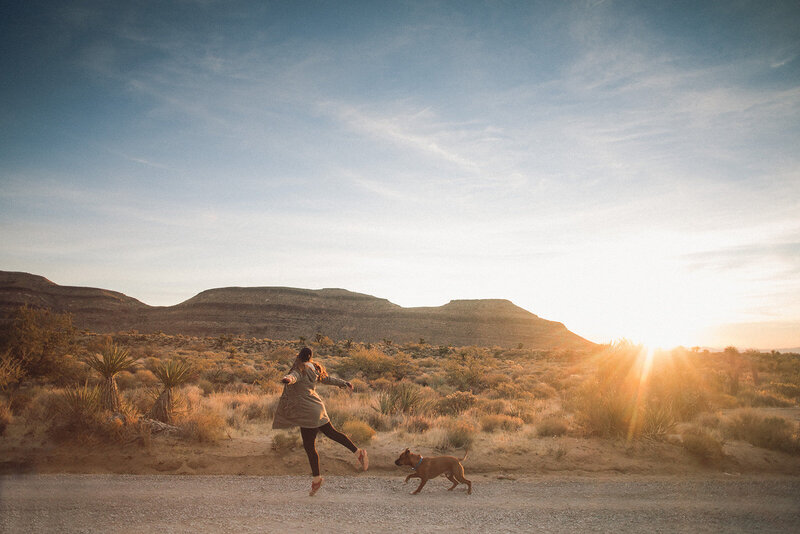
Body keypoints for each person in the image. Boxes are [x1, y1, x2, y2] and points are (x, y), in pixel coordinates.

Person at [272, 346, 368, 496]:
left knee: (310, 447)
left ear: (299, 356)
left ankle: (317, 479)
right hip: (317, 407)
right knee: (332, 433)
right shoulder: (315, 368)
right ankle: (358, 452)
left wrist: (287, 379)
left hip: (307, 413)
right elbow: (328, 379)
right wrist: (344, 383)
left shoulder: (300, 368)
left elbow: (293, 376)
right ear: (311, 357)